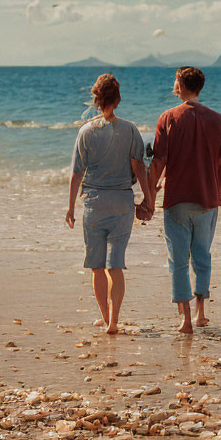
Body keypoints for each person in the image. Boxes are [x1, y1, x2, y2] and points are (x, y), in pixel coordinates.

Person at [137, 67, 221, 333]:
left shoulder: (168, 117)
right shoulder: (218, 119)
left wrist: (148, 198)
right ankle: (202, 313)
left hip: (177, 200)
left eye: (174, 80)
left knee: (178, 261)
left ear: (180, 84)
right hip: (208, 200)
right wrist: (218, 193)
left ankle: (186, 320)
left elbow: (158, 163)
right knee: (202, 256)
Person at [66, 74, 150, 334]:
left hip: (94, 203)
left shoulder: (86, 131)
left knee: (97, 266)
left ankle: (105, 317)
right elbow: (139, 165)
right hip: (123, 202)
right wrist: (147, 196)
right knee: (116, 264)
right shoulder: (130, 129)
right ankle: (115, 320)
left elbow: (77, 173)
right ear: (119, 98)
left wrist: (70, 207)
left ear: (96, 99)